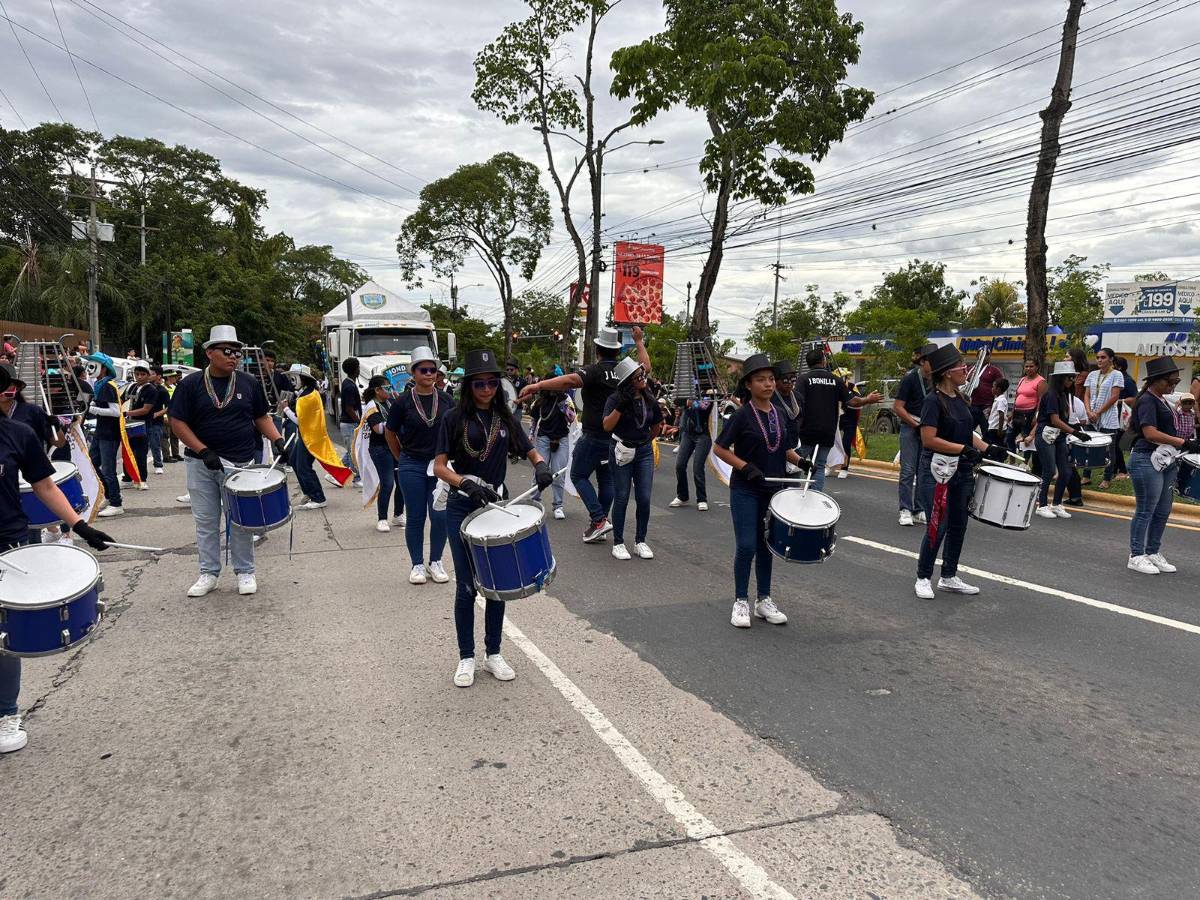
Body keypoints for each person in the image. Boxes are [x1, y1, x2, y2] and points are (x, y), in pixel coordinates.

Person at [0, 366, 115, 754]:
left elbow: (45, 485)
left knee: (2, 635)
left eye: (12, 392)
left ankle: (5, 712)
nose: (9, 398)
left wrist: (80, 526)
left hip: (7, 542)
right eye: (5, 393)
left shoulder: (17, 434)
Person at [433, 349, 552, 688]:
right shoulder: (452, 418)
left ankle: (494, 653)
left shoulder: (506, 418)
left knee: (498, 585)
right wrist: (465, 482)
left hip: (496, 506)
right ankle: (466, 657)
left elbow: (531, 450)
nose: (486, 389)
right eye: (479, 383)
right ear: (469, 385)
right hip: (461, 506)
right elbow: (440, 466)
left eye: (491, 382)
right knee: (467, 587)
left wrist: (541, 465)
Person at [169, 325, 287, 597]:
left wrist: (278, 440)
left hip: (239, 463)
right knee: (206, 520)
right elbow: (177, 423)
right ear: (210, 353)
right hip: (201, 463)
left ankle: (245, 571)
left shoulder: (248, 382)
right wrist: (203, 451)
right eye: (227, 351)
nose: (234, 356)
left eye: (237, 352)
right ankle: (208, 573)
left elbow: (261, 417)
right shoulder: (190, 385)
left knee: (241, 520)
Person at [518, 325, 651, 543]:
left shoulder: (594, 371)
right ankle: (598, 523)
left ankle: (598, 520)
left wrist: (538, 385)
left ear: (598, 349)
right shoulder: (624, 371)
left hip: (593, 435)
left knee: (578, 475)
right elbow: (645, 366)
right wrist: (638, 341)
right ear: (617, 351)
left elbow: (569, 381)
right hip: (615, 437)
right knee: (606, 480)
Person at [713, 354, 809, 628]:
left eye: (770, 379)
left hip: (773, 490)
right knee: (746, 545)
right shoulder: (742, 415)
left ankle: (763, 600)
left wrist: (800, 460)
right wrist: (744, 467)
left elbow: (782, 448)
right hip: (746, 489)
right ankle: (740, 600)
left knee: (768, 546)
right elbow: (719, 448)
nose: (768, 384)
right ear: (749, 385)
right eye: (760, 380)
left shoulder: (779, 414)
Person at [913, 345, 1008, 599]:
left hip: (961, 469)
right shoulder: (933, 401)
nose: (966, 370)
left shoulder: (962, 399)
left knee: (959, 524)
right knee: (938, 524)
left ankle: (949, 576)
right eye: (961, 367)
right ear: (946, 373)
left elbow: (969, 434)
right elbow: (928, 439)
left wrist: (989, 448)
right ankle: (923, 577)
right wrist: (963, 449)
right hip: (936, 470)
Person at [1126, 356, 1199, 574]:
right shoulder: (1147, 400)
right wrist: (1184, 442)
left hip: (1165, 459)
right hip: (1146, 459)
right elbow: (1149, 433)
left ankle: (1152, 552)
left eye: (1176, 382)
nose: (1173, 385)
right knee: (1146, 510)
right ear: (1156, 380)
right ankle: (1136, 555)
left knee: (1163, 510)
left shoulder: (1160, 399)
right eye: (1170, 382)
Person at [385, 346, 450, 585]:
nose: (429, 374)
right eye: (424, 369)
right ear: (413, 373)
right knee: (416, 516)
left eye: (433, 369)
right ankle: (417, 565)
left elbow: (454, 430)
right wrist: (400, 456)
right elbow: (390, 432)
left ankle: (436, 561)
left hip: (440, 465)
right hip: (411, 463)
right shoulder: (402, 402)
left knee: (440, 515)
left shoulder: (445, 399)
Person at [793, 348, 881, 492]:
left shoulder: (803, 380)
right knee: (820, 465)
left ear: (808, 363)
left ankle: (791, 493)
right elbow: (853, 402)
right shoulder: (835, 380)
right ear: (824, 361)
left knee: (794, 462)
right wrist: (867, 399)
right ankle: (816, 496)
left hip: (806, 430)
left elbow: (796, 403)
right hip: (828, 431)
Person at [602, 358, 664, 560]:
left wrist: (644, 441)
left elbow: (656, 426)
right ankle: (618, 543)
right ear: (628, 381)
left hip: (643, 451)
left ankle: (640, 541)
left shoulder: (649, 399)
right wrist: (622, 405)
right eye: (639, 376)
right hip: (621, 450)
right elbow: (607, 426)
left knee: (644, 498)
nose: (643, 378)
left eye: (643, 374)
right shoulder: (615, 399)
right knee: (621, 496)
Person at [1034, 361, 1087, 519]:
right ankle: (1041, 504)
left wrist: (1075, 429)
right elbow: (1054, 420)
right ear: (1061, 378)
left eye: (1073, 378)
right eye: (1069, 378)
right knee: (1049, 470)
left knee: (1066, 471)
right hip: (1046, 435)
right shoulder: (1051, 395)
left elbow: (1062, 420)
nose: (1072, 381)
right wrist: (1076, 433)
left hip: (1059, 436)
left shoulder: (1063, 395)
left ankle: (1056, 504)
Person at [894, 344, 936, 526]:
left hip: (929, 428)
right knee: (908, 469)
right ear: (923, 362)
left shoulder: (937, 380)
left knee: (924, 470)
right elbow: (898, 407)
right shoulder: (910, 378)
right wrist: (916, 425)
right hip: (911, 426)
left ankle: (919, 509)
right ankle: (905, 509)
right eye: (931, 361)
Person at [361, 376, 406, 534]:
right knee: (387, 483)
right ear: (377, 390)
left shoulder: (390, 402)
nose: (389, 390)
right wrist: (396, 421)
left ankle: (398, 514)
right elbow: (379, 429)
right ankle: (382, 518)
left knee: (401, 482)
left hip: (395, 445)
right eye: (385, 388)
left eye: (389, 387)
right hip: (380, 448)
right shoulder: (371, 406)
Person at [282, 364, 330, 510]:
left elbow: (299, 421)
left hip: (310, 436)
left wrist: (285, 408)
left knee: (303, 466)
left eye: (293, 377)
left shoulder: (306, 396)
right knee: (295, 462)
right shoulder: (308, 393)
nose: (291, 380)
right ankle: (309, 492)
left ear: (301, 378)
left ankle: (318, 497)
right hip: (309, 435)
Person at [85, 352, 125, 518]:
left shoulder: (108, 385)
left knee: (108, 469)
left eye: (94, 364)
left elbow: (116, 412)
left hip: (109, 434)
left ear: (103, 368)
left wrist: (95, 409)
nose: (90, 367)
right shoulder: (100, 384)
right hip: (101, 432)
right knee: (93, 463)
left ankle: (116, 503)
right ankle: (109, 495)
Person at [529, 369, 571, 519]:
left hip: (562, 438)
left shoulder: (565, 399)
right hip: (544, 439)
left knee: (558, 473)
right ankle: (534, 502)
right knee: (540, 471)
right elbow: (534, 420)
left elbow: (571, 419)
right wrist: (530, 434)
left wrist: (563, 404)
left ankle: (558, 505)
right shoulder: (539, 402)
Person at [1082, 347, 1124, 488]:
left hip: (1107, 417)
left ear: (1111, 359)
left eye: (1103, 357)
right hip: (1091, 416)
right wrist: (1088, 411)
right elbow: (1086, 394)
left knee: (1109, 450)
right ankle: (1086, 476)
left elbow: (1114, 397)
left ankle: (1106, 478)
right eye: (1098, 357)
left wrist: (1098, 412)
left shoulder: (1117, 375)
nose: (1099, 360)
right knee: (1088, 445)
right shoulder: (1092, 374)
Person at [670, 388, 714, 510]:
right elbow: (676, 401)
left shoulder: (708, 392)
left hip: (703, 435)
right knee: (679, 465)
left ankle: (702, 498)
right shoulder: (686, 390)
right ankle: (682, 496)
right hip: (688, 434)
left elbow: (704, 407)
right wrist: (683, 400)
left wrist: (689, 402)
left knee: (697, 467)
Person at [122, 361, 155, 490]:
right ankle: (127, 478)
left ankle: (141, 479)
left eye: (142, 374)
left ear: (148, 375)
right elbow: (122, 400)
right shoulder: (131, 386)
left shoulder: (151, 389)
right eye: (137, 374)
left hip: (142, 425)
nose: (139, 377)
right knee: (127, 451)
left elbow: (146, 409)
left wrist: (125, 413)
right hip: (128, 423)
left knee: (140, 454)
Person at [1014, 358, 1048, 470]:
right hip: (1019, 413)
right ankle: (1021, 462)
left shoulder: (1041, 381)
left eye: (1031, 366)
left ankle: (1029, 464)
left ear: (1037, 367)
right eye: (1026, 366)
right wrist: (1012, 412)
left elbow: (1041, 400)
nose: (1028, 368)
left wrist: (1036, 416)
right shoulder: (1022, 379)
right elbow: (1017, 395)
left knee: (1030, 439)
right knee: (1019, 437)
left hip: (1031, 413)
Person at [336, 357, 362, 486]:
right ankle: (357, 479)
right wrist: (359, 422)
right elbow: (349, 408)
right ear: (355, 369)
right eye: (358, 367)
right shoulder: (349, 386)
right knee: (354, 452)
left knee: (350, 451)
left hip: (347, 424)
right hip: (349, 424)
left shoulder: (348, 383)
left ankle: (335, 473)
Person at [771, 359, 802, 451]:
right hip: (777, 445)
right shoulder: (770, 398)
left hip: (795, 443)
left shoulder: (797, 396)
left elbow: (801, 417)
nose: (789, 382)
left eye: (793, 379)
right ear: (776, 381)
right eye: (785, 379)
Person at [835, 368, 860, 478]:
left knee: (846, 443)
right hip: (836, 418)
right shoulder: (833, 387)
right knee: (831, 442)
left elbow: (858, 400)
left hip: (850, 418)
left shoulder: (852, 386)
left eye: (842, 377)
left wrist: (848, 398)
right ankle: (829, 465)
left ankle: (844, 468)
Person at [968, 358, 1004, 434]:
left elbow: (1001, 386)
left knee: (987, 431)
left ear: (990, 356)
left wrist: (996, 404)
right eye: (982, 354)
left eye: (987, 354)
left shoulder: (994, 370)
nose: (985, 357)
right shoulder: (971, 369)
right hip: (972, 405)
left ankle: (987, 445)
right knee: (968, 430)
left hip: (987, 406)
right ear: (978, 356)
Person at [147, 366, 169, 474]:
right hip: (142, 420)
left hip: (156, 422)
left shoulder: (162, 390)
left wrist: (157, 414)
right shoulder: (145, 388)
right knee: (140, 446)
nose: (149, 375)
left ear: (159, 376)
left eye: (152, 374)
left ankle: (158, 464)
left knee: (155, 443)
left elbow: (169, 407)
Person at [1174, 393, 1197, 495]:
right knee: (1175, 459)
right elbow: (1173, 416)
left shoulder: (1192, 414)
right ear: (1181, 403)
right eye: (1185, 402)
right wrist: (1176, 406)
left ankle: (1181, 479)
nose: (1187, 405)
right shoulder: (1178, 413)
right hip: (1178, 439)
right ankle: (1174, 479)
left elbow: (1192, 425)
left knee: (1183, 459)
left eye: (1190, 402)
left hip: (1188, 440)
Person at [161, 370, 183, 463]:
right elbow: (162, 403)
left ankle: (175, 454)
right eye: (174, 376)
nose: (176, 378)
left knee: (175, 435)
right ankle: (166, 456)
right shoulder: (162, 388)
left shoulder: (175, 387)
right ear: (168, 377)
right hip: (166, 414)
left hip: (174, 414)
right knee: (165, 435)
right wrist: (164, 416)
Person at [987, 377, 1009, 447]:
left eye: (993, 387)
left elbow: (1001, 415)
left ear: (998, 389)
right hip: (992, 427)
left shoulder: (1001, 400)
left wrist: (1000, 430)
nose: (992, 388)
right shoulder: (998, 399)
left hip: (996, 429)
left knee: (996, 447)